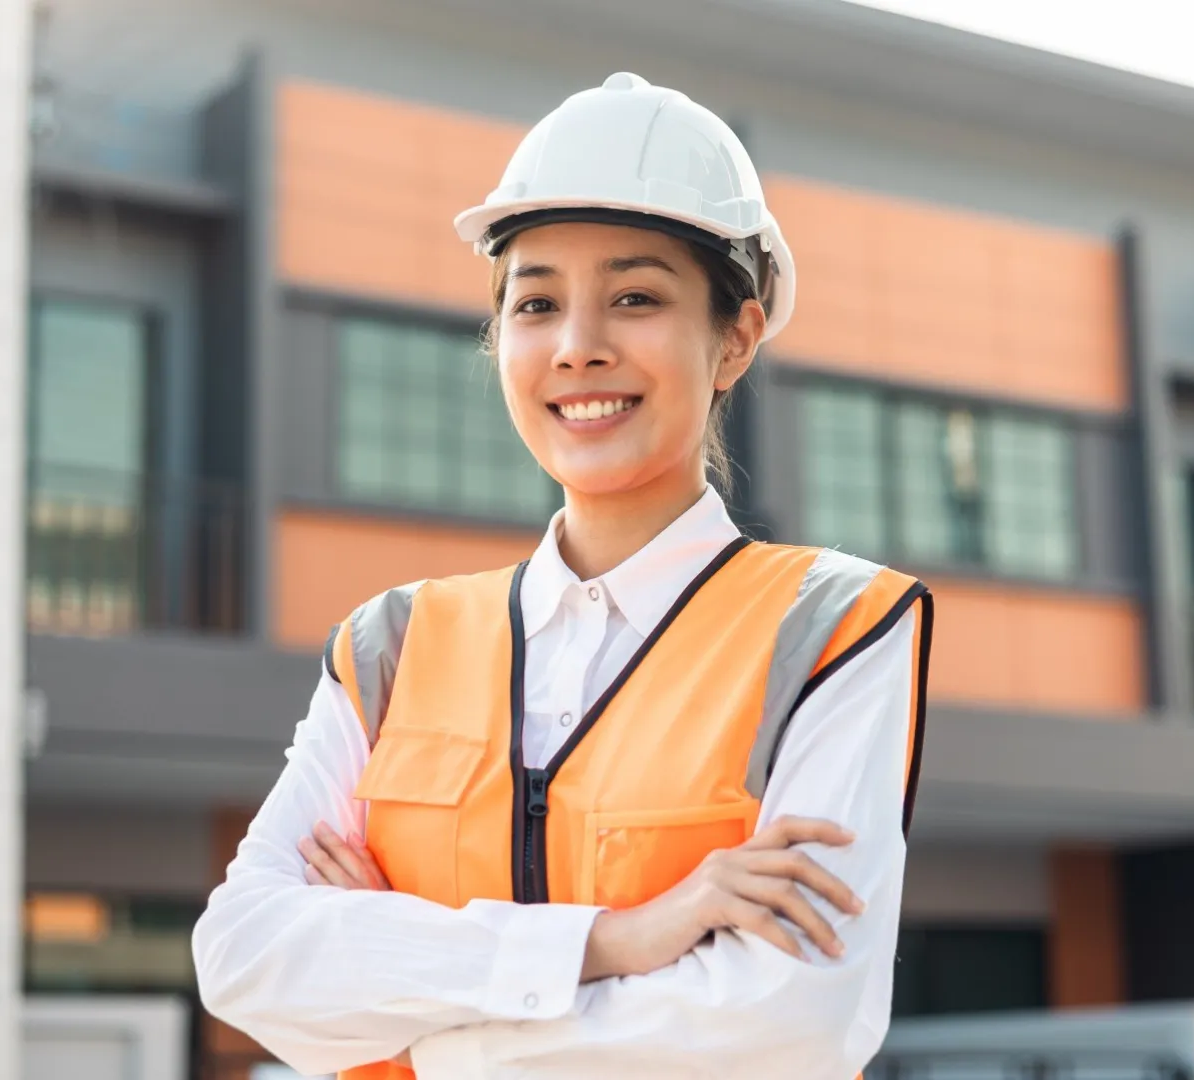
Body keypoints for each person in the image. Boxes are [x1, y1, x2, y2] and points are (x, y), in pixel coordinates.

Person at [193, 72, 934, 1080]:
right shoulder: (393, 647)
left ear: (736, 339)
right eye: (536, 302)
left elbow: (785, 1023)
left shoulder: (834, 626)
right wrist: (613, 942)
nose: (579, 348)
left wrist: (414, 1017)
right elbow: (241, 958)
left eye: (634, 297)